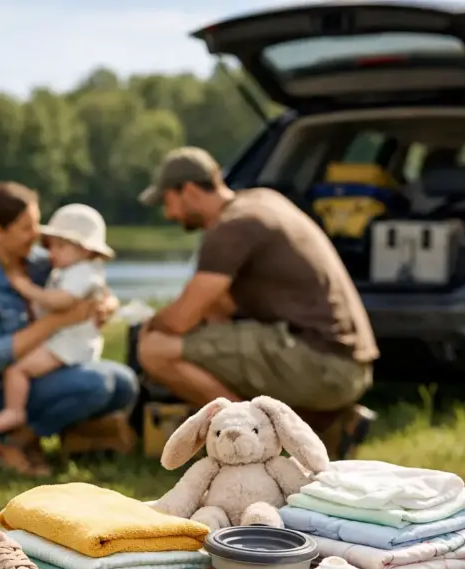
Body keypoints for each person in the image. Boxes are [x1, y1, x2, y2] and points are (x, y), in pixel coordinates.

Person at [134, 146, 379, 457]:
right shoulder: (262, 201)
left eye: (168, 202)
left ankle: (252, 443)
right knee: (208, 323)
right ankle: (326, 425)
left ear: (190, 191)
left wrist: (150, 325)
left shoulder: (231, 226)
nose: (170, 214)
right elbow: (216, 305)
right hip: (343, 363)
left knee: (155, 350)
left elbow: (180, 320)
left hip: (323, 364)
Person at [0, 182, 139, 476]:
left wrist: (106, 305)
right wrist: (59, 321)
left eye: (36, 224)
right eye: (26, 227)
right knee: (98, 384)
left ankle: (37, 437)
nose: (38, 236)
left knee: (124, 383)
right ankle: (14, 441)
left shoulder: (39, 263)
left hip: (33, 376)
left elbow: (89, 278)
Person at [0, 203, 115, 433]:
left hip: (67, 345)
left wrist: (26, 288)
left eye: (60, 246)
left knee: (17, 370)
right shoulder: (74, 268)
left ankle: (16, 412)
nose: (51, 253)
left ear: (84, 250)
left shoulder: (82, 273)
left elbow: (61, 302)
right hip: (65, 342)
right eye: (50, 245)